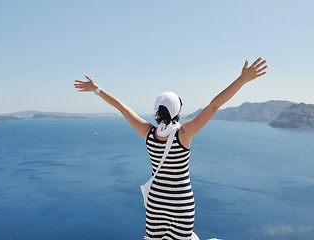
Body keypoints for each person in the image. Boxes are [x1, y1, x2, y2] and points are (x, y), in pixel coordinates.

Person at [74, 57, 267, 240]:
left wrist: (97, 89)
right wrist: (242, 80)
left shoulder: (148, 132)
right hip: (181, 205)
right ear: (178, 110)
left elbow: (122, 108)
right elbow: (213, 106)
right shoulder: (184, 133)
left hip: (156, 204)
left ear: (158, 111)